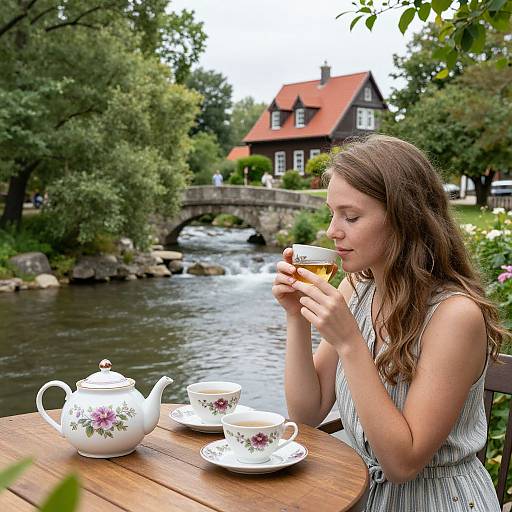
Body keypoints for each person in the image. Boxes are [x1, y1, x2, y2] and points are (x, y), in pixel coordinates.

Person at [272, 134, 507, 511]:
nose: (333, 230)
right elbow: (308, 412)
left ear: (404, 217)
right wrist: (296, 317)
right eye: (331, 214)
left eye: (351, 216)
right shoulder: (357, 288)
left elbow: (402, 463)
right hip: (362, 495)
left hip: (437, 501)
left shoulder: (454, 315)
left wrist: (350, 343)